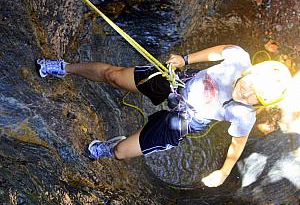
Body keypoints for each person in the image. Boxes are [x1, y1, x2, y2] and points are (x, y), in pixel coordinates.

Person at [37, 45, 291, 187]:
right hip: (178, 83)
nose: (245, 95)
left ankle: (114, 144)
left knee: (120, 153)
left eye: (253, 99)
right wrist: (185, 59)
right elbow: (220, 51)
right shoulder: (239, 59)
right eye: (250, 87)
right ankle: (64, 68)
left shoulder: (244, 115)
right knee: (113, 75)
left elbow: (238, 143)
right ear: (253, 72)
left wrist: (224, 172)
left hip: (187, 119)